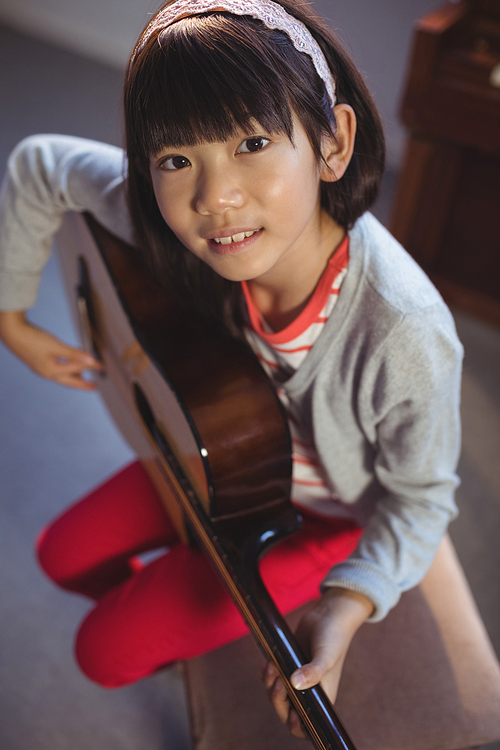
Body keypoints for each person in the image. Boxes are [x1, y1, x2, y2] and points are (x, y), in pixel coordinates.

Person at [0, 0, 463, 738]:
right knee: (59, 557)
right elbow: (41, 164)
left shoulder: (404, 331)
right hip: (224, 447)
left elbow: (422, 501)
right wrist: (10, 315)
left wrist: (350, 598)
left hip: (328, 515)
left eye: (252, 141)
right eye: (176, 159)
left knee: (100, 653)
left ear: (332, 142)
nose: (215, 199)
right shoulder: (175, 225)